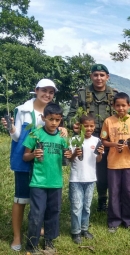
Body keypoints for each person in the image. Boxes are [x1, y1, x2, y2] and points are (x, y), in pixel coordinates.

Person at [1, 79, 63, 252]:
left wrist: (63, 130)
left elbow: (56, 134)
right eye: (44, 90)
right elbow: (16, 137)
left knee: (40, 198)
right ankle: (17, 237)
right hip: (24, 159)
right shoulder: (22, 110)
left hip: (44, 163)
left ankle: (37, 230)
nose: (47, 94)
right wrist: (11, 128)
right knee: (21, 198)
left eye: (51, 92)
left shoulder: (52, 112)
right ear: (36, 90)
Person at [67, 63, 118, 212]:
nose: (99, 78)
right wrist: (73, 125)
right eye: (95, 75)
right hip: (85, 137)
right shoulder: (81, 94)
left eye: (102, 75)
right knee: (83, 167)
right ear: (91, 76)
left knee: (103, 170)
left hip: (105, 139)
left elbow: (121, 114)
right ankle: (80, 199)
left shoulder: (114, 95)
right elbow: (70, 116)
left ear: (107, 77)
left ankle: (103, 200)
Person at [22, 103, 72, 254]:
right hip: (38, 182)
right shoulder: (36, 134)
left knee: (53, 212)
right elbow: (25, 156)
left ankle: (49, 242)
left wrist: (69, 155)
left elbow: (66, 160)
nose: (54, 123)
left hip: (56, 182)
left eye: (57, 120)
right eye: (50, 119)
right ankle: (32, 244)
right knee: (37, 214)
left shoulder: (62, 137)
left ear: (61, 120)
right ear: (44, 118)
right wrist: (33, 155)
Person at [100, 92, 130, 233]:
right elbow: (103, 140)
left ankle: (129, 221)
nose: (121, 108)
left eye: (124, 105)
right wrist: (113, 144)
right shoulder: (108, 121)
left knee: (129, 192)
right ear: (113, 106)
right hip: (113, 164)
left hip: (129, 163)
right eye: (118, 105)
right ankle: (114, 221)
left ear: (129, 106)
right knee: (114, 192)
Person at [69, 114, 104, 244]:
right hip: (76, 179)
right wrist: (74, 154)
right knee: (77, 206)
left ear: (94, 127)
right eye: (86, 126)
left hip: (90, 178)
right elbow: (69, 160)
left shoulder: (96, 141)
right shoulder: (74, 139)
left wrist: (100, 153)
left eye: (91, 126)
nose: (89, 128)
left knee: (87, 206)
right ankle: (75, 231)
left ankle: (84, 229)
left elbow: (98, 160)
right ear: (80, 127)